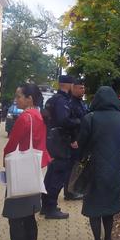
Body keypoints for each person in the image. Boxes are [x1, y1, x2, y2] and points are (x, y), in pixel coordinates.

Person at [0, 83, 50, 240]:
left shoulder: (25, 118)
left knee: (16, 220)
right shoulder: (38, 116)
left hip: (20, 172)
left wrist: (5, 161)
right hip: (33, 171)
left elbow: (11, 145)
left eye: (19, 96)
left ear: (29, 98)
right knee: (29, 219)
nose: (16, 99)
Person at [77, 86, 120, 240]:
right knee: (110, 205)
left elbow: (81, 143)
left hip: (94, 167)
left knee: (94, 205)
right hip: (115, 168)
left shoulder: (90, 118)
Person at [41, 75, 80, 219]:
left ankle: (46, 204)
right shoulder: (62, 101)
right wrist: (77, 122)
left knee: (51, 173)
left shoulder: (52, 100)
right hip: (60, 141)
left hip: (53, 139)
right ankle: (50, 207)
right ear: (69, 85)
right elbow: (64, 120)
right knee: (58, 174)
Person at [65, 78, 88, 200]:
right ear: (73, 88)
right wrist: (72, 139)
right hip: (74, 141)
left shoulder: (80, 102)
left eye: (84, 88)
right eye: (80, 88)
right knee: (71, 167)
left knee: (77, 166)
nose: (83, 90)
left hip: (81, 139)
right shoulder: (70, 103)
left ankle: (74, 189)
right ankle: (69, 192)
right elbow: (69, 123)